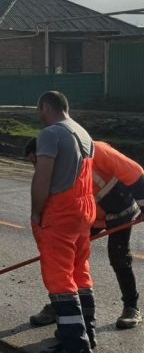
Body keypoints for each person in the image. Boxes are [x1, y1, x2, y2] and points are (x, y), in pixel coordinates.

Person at [26, 138, 142, 329]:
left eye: (37, 161)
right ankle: (63, 306)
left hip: (121, 210)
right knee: (66, 258)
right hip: (89, 216)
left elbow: (135, 172)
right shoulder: (51, 174)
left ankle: (131, 308)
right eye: (33, 164)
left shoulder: (97, 150)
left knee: (119, 256)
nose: (37, 167)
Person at [29, 90, 97, 353]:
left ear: (46, 106)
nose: (40, 117)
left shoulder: (51, 134)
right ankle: (86, 333)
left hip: (61, 214)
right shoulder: (83, 133)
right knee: (79, 273)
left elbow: (42, 177)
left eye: (40, 111)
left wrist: (36, 212)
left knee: (59, 278)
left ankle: (73, 344)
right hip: (84, 211)